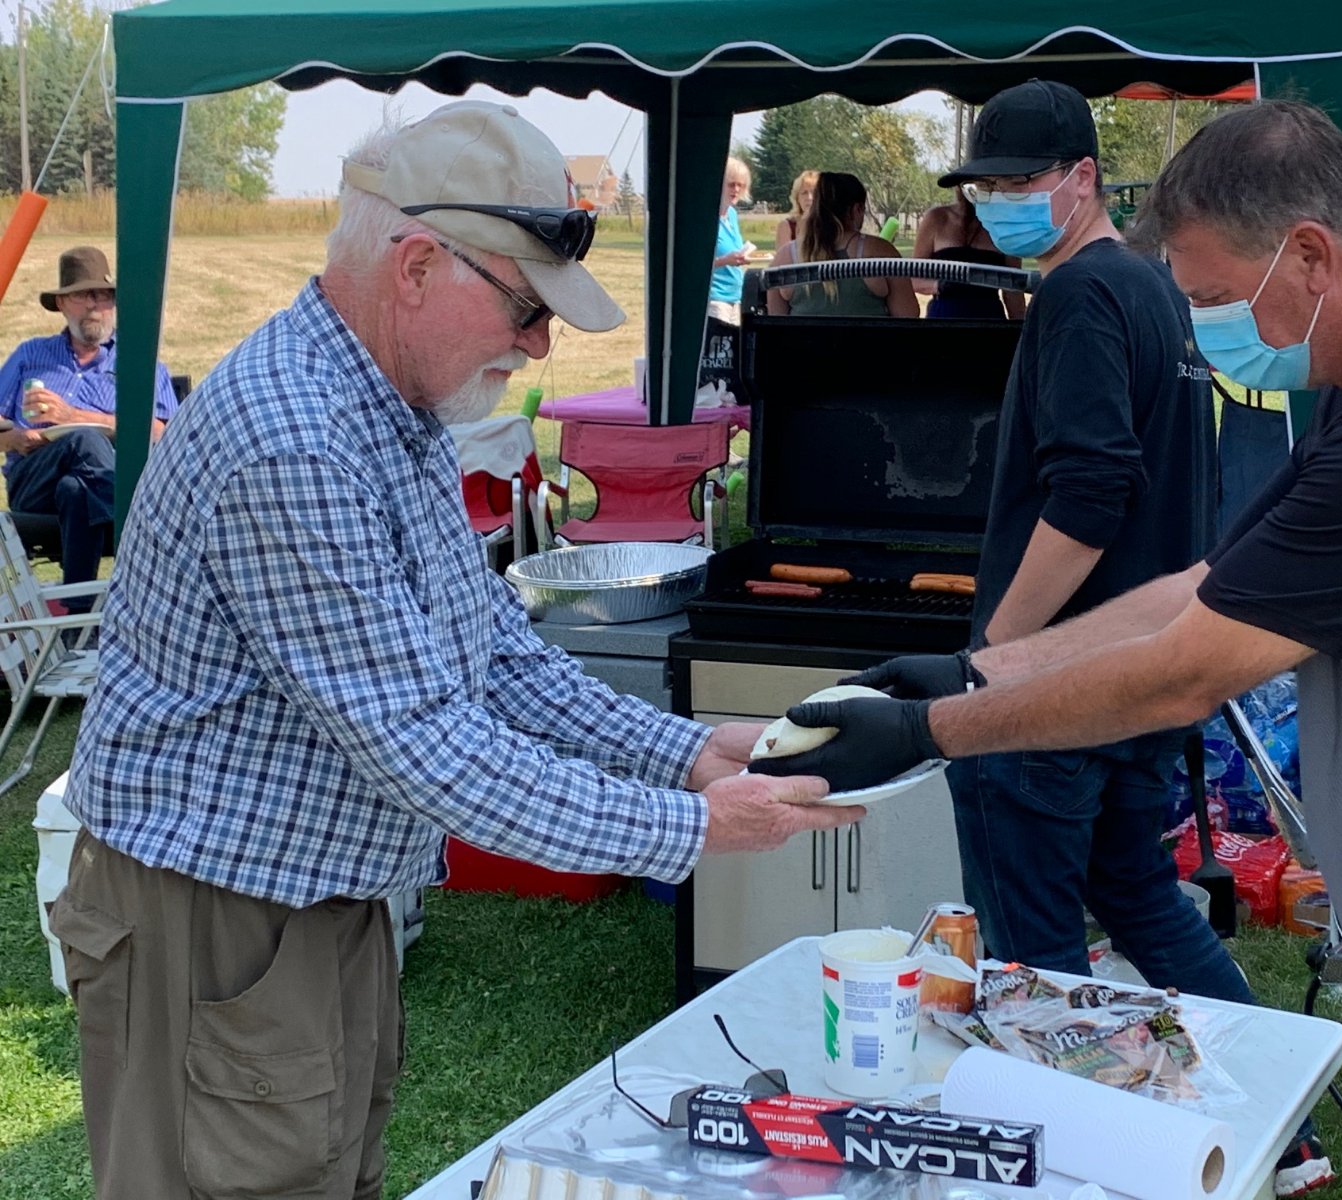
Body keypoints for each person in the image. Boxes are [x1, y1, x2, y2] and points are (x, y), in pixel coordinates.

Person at [757, 98, 1342, 1200]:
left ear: (1309, 255)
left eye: (1208, 298)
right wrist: (976, 670)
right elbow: (1201, 587)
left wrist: (931, 731)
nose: (1201, 326)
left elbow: (1189, 668)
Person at [51, 101, 860, 1200]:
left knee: (324, 1173)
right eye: (527, 307)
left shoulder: (391, 408)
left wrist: (688, 751)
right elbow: (426, 746)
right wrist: (691, 827)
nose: (538, 344)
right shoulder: (294, 440)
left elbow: (495, 653)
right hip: (212, 913)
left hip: (308, 896)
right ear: (419, 265)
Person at [759, 81, 1334, 1198]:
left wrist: (988, 666)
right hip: (1135, 681)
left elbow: (1089, 496)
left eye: (1023, 182)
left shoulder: (1077, 295)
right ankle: (1284, 1129)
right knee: (1141, 899)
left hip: (1054, 694)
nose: (1001, 204)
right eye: (987, 187)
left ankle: (1066, 1163)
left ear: (1082, 178)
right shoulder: (1161, 290)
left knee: (1034, 958)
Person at [0, 246, 177, 609]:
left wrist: (74, 416)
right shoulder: (31, 355)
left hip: (86, 490)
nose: (95, 305)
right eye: (83, 295)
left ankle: (77, 616)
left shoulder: (138, 363)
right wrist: (15, 438)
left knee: (75, 488)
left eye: (104, 295)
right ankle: (139, 515)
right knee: (81, 440)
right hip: (34, 480)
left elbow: (164, 433)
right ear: (62, 303)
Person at [766, 172, 918, 317]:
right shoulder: (880, 252)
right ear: (857, 209)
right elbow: (909, 315)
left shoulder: (786, 257)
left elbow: (775, 322)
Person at [911, 189, 1026, 319]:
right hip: (943, 317)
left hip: (989, 318)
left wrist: (1020, 325)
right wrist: (941, 285)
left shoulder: (1005, 225)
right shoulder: (937, 218)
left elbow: (1013, 291)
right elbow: (914, 280)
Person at [709, 155, 752, 324]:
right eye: (731, 184)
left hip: (736, 297)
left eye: (740, 185)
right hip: (715, 298)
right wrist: (725, 260)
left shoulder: (732, 215)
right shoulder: (708, 218)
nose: (736, 190)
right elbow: (695, 264)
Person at [774, 169, 818, 255]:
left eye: (814, 192)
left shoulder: (833, 225)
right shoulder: (787, 226)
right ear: (797, 198)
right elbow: (784, 258)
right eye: (804, 193)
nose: (809, 197)